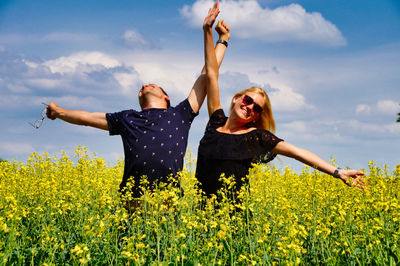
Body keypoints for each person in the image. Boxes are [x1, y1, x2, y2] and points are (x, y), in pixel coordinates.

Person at [46, 13, 231, 201]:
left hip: (168, 204)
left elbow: (208, 73)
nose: (143, 86)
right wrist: (58, 112)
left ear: (166, 97)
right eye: (141, 89)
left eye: (151, 85)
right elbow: (88, 118)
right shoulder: (127, 118)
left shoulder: (180, 114)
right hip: (131, 204)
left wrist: (222, 40)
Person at [196, 1, 366, 198]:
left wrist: (337, 172)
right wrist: (211, 32)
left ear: (256, 117)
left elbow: (297, 152)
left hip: (235, 224)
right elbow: (212, 74)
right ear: (236, 98)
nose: (250, 107)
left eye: (257, 109)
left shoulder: (255, 137)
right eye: (248, 100)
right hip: (204, 221)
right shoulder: (215, 122)